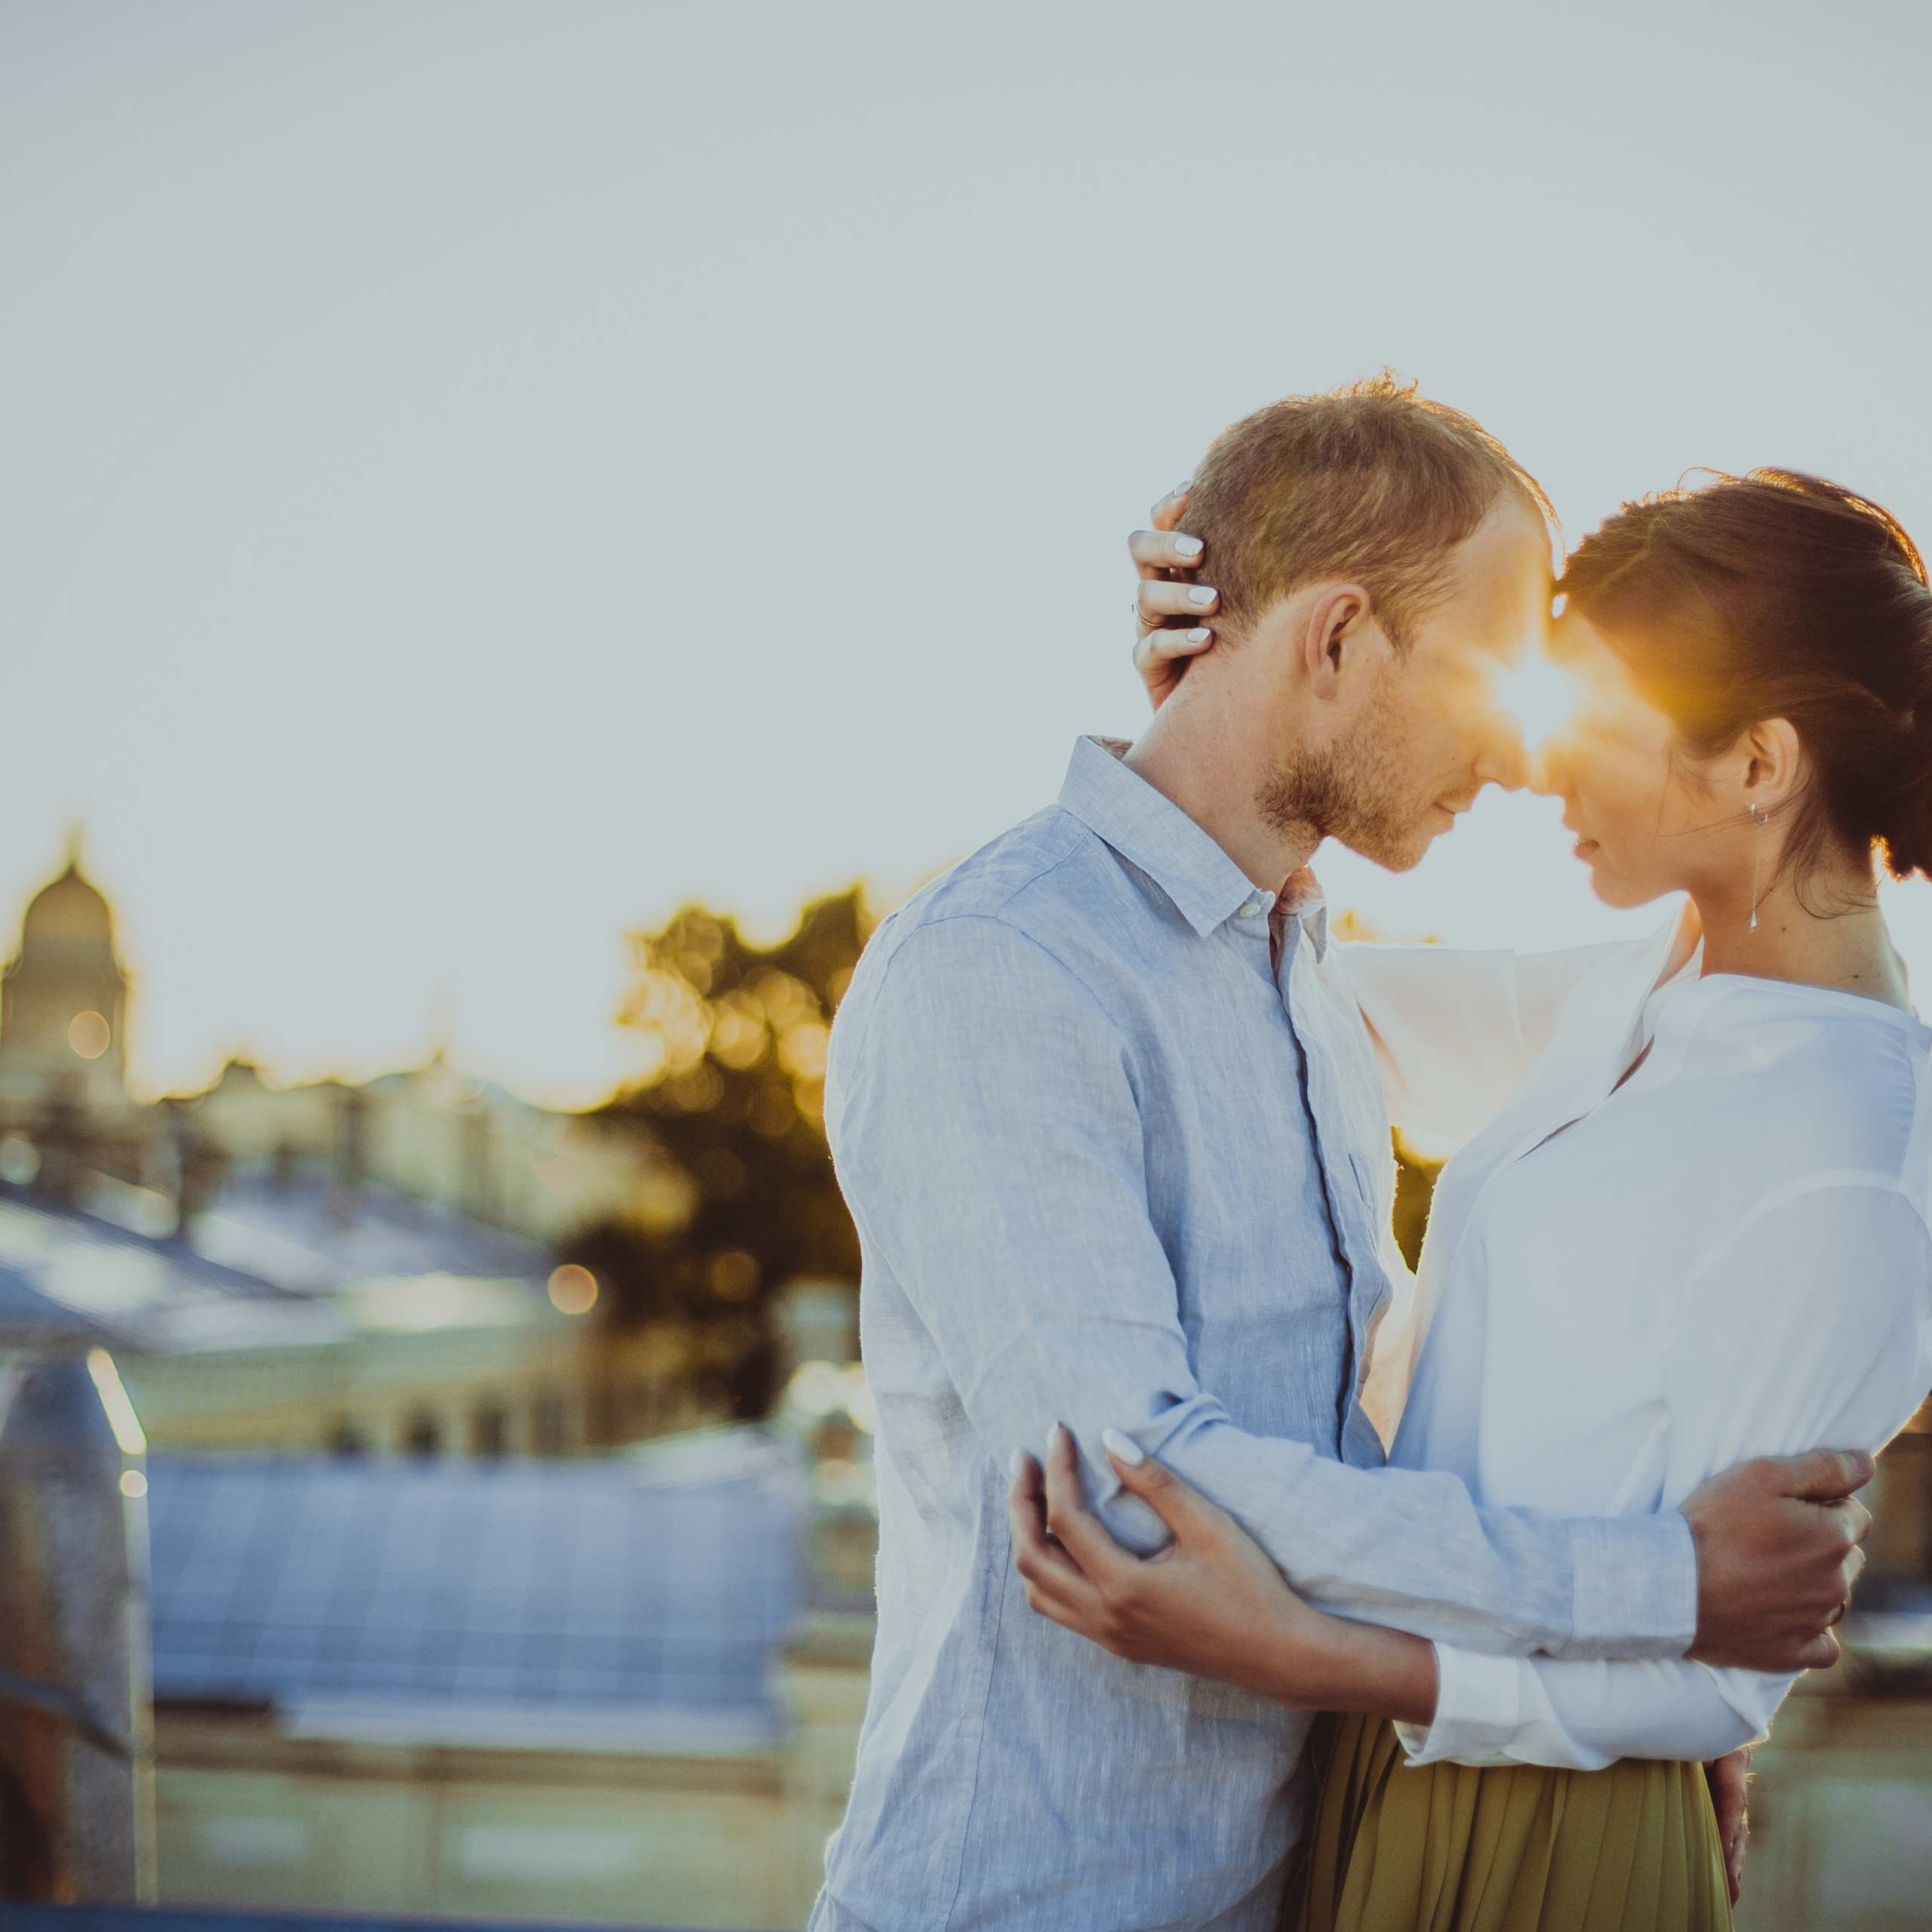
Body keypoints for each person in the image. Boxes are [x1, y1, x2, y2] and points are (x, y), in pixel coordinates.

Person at [811, 377, 1870, 1932]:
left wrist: (1633, 1702)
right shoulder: (1001, 968)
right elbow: (1134, 1495)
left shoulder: (1300, 972)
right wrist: (1655, 1587)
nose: (1517, 757)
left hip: (1300, 1880)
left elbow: (1347, 1419)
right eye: (1488, 678)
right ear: (1334, 640)